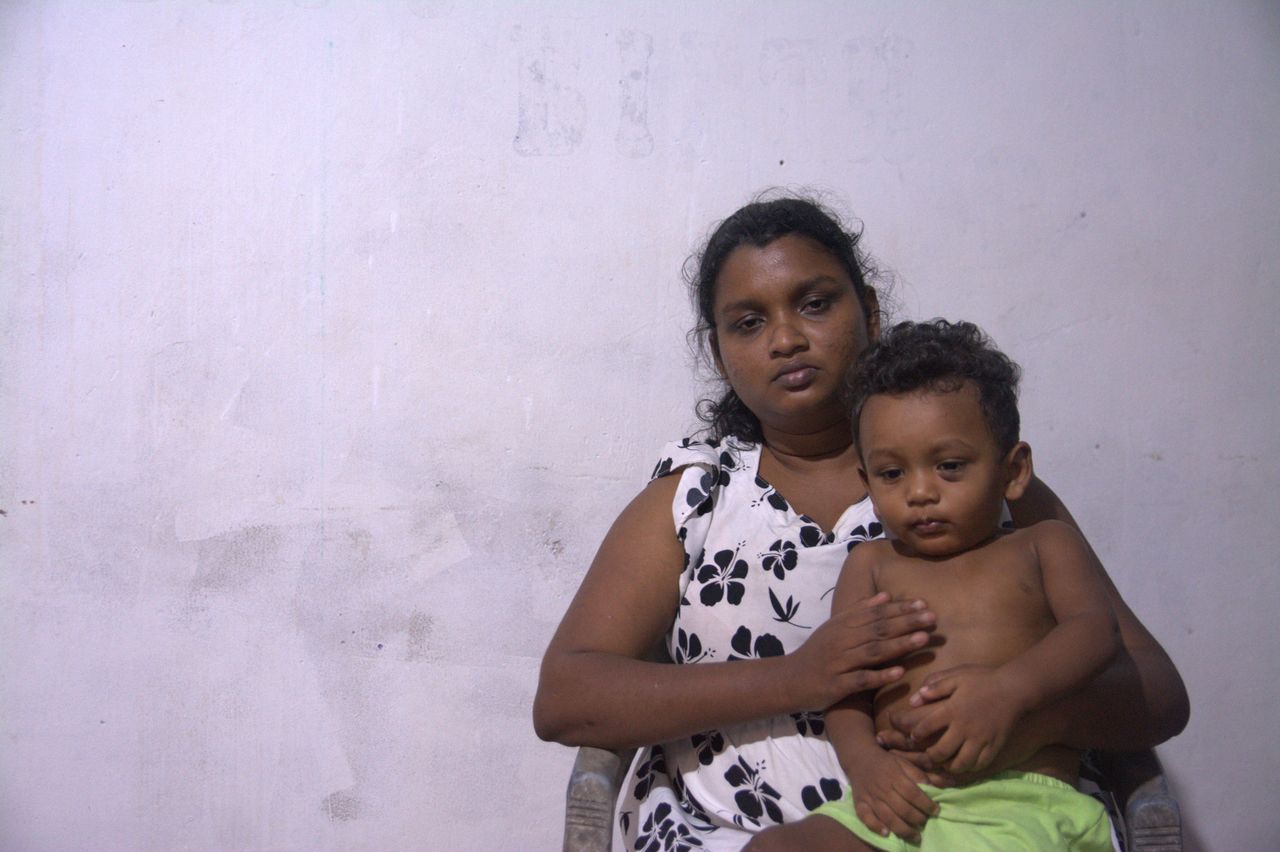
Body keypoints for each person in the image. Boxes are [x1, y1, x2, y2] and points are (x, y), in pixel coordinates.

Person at [532, 196, 1188, 851]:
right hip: (731, 836)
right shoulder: (695, 499)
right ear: (719, 352)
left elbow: (1157, 693)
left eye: (815, 304)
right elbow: (566, 699)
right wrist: (796, 678)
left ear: (869, 312)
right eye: (749, 323)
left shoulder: (980, 486)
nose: (786, 339)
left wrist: (1022, 713)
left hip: (1001, 824)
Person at [750, 319, 1121, 851]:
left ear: (1014, 470)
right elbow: (847, 691)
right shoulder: (870, 565)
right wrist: (866, 764)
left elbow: (1096, 631)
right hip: (902, 800)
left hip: (1021, 804)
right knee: (774, 848)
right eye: (891, 474)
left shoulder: (1043, 545)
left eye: (948, 466)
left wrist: (1009, 691)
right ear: (867, 481)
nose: (920, 492)